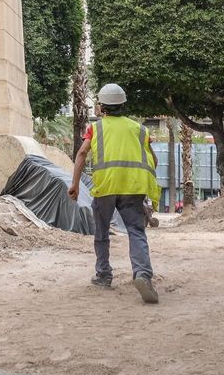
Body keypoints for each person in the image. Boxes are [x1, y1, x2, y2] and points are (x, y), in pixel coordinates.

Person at [68, 83, 161, 304]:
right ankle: (142, 274)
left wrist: (75, 184)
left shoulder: (96, 128)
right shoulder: (140, 129)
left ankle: (103, 275)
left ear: (101, 107)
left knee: (101, 232)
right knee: (136, 231)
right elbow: (154, 160)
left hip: (106, 187)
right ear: (123, 104)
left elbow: (82, 153)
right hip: (133, 187)